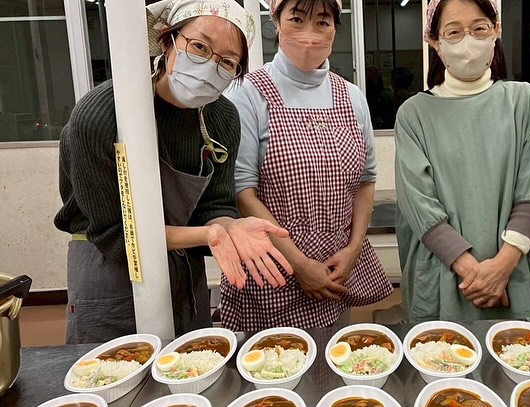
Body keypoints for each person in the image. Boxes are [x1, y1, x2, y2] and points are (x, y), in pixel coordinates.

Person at [54, 0, 291, 344]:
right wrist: (206, 235)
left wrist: (229, 226)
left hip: (184, 269)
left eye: (227, 62)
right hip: (108, 265)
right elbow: (115, 234)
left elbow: (214, 205)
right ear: (168, 41)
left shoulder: (223, 118)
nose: (209, 67)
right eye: (199, 47)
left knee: (191, 366)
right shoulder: (100, 115)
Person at [224, 0, 393, 330]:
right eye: (297, 19)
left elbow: (366, 180)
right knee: (276, 359)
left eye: (322, 22)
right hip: (273, 267)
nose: (309, 34)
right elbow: (243, 192)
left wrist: (354, 248)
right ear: (276, 21)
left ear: (335, 29)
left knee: (334, 353)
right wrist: (299, 264)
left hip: (337, 267)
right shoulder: (247, 93)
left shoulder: (352, 96)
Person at [394, 0, 530, 322]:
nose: (468, 41)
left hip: (513, 266)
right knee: (442, 349)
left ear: (496, 31)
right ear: (435, 42)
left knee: (518, 349)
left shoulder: (525, 102)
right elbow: (419, 205)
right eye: (453, 32)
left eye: (479, 29)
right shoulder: (414, 115)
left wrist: (502, 267)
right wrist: (475, 274)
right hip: (444, 271)